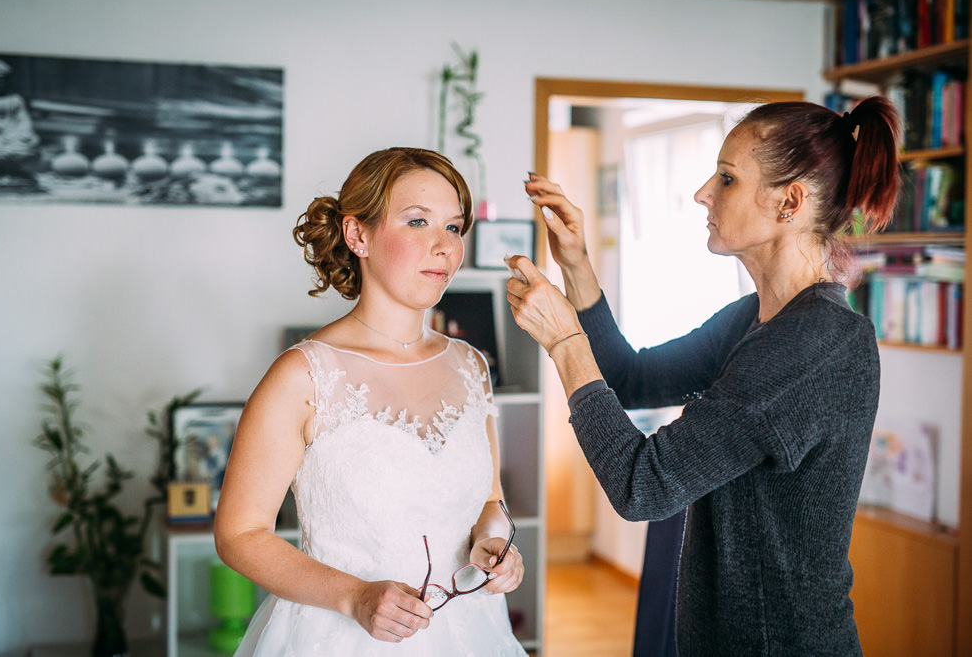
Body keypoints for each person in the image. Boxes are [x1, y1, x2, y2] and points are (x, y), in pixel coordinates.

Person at [505, 96, 901, 656]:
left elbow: (643, 486)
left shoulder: (817, 343)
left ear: (790, 201)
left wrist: (565, 341)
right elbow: (630, 377)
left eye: (727, 178)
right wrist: (576, 264)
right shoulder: (757, 318)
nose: (702, 194)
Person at [214, 147, 527, 656]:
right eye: (418, 221)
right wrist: (354, 597)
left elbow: (490, 501)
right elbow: (239, 534)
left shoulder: (471, 365)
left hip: (470, 632)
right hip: (339, 637)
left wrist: (494, 544)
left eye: (453, 227)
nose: (443, 246)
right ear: (357, 235)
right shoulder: (303, 376)